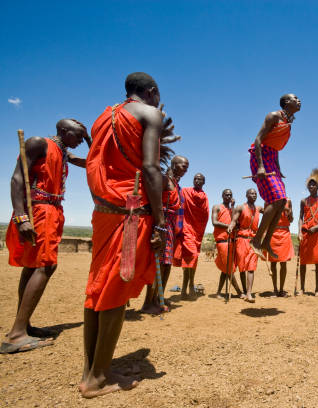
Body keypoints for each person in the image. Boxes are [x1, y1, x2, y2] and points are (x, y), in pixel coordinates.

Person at [80, 72, 177, 398]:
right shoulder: (150, 114)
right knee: (117, 288)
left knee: (97, 287)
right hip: (132, 209)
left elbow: (101, 162)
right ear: (151, 92)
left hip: (104, 210)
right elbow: (150, 169)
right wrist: (161, 220)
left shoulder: (103, 116)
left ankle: (94, 368)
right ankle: (98, 379)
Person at [1, 119, 89, 354]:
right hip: (39, 210)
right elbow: (17, 178)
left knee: (32, 266)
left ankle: (24, 325)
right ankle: (17, 334)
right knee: (46, 266)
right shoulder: (39, 143)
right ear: (63, 131)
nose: (81, 140)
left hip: (53, 209)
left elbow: (92, 163)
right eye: (78, 135)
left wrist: (91, 142)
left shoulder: (63, 152)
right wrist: (21, 217)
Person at [248, 94, 301, 259]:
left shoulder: (288, 123)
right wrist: (261, 166)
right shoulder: (273, 116)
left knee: (283, 200)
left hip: (272, 159)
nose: (299, 100)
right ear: (286, 102)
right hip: (261, 158)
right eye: (295, 98)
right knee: (275, 198)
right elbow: (258, 140)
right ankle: (256, 241)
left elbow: (275, 147)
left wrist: (278, 168)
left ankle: (265, 242)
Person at [141, 155, 188, 314]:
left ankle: (158, 297)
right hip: (162, 225)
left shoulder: (175, 183)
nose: (185, 169)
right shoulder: (164, 180)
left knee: (166, 264)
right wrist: (158, 227)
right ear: (173, 165)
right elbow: (154, 201)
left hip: (171, 228)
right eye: (183, 166)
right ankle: (148, 302)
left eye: (187, 167)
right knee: (158, 264)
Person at [173, 173, 209, 299]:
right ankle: (186, 287)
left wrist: (199, 230)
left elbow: (205, 215)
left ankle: (189, 286)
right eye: (195, 178)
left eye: (200, 179)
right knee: (190, 256)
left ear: (204, 182)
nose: (197, 180)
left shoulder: (204, 197)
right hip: (186, 228)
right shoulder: (185, 191)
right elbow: (178, 203)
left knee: (192, 258)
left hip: (197, 231)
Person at [298, 170, 318, 296]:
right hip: (305, 234)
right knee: (303, 262)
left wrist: (316, 227)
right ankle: (302, 288)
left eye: (314, 184)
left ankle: (317, 289)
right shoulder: (303, 201)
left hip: (317, 235)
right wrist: (300, 232)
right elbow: (300, 218)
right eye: (309, 185)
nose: (311, 186)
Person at [228, 188, 263, 303]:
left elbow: (268, 210)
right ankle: (243, 291)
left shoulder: (258, 208)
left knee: (251, 267)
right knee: (242, 267)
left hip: (254, 241)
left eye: (255, 194)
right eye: (251, 193)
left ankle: (249, 293)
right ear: (246, 195)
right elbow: (234, 220)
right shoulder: (240, 207)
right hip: (241, 240)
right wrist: (230, 226)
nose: (254, 195)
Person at [212, 189, 244, 299]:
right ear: (222, 196)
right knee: (229, 268)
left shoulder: (232, 210)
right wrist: (230, 226)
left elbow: (237, 222)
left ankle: (218, 293)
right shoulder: (217, 207)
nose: (228, 196)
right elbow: (214, 222)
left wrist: (233, 207)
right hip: (223, 242)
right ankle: (239, 292)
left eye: (230, 194)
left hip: (232, 241)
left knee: (225, 269)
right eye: (226, 194)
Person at [264, 199, 294, 297]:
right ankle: (275, 290)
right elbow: (266, 218)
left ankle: (281, 290)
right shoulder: (268, 201)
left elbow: (291, 219)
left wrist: (289, 212)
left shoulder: (288, 201)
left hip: (284, 233)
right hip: (272, 233)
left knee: (283, 262)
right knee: (273, 262)